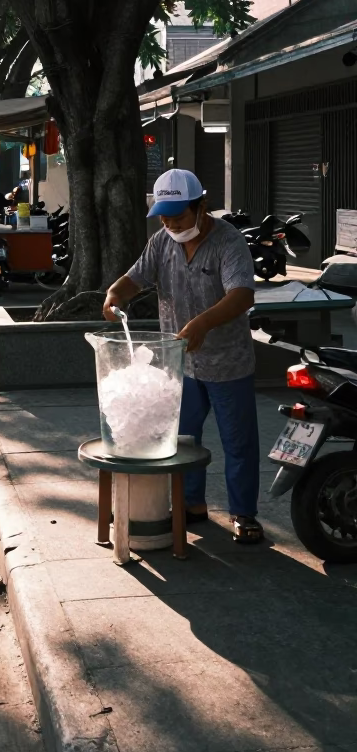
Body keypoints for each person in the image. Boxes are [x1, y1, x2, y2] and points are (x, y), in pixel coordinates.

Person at [102, 168, 262, 546]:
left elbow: (242, 295)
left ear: (200, 207)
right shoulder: (162, 241)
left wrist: (203, 323)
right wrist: (114, 294)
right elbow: (136, 277)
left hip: (228, 362)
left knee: (237, 442)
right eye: (164, 216)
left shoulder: (228, 241)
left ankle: (244, 514)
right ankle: (191, 503)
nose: (171, 223)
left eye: (178, 216)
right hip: (180, 364)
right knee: (181, 439)